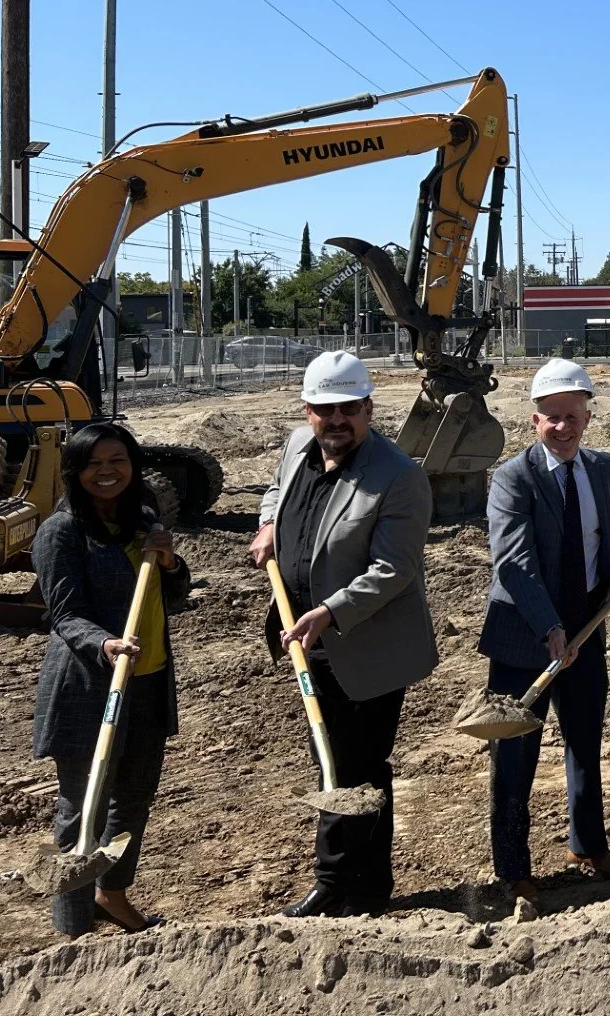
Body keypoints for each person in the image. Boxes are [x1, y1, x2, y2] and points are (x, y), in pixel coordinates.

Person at [252, 350, 436, 918]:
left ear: (368, 408)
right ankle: (366, 886)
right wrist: (265, 524)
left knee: (354, 763)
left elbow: (393, 569)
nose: (337, 420)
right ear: (308, 411)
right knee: (335, 758)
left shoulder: (398, 476)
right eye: (324, 409)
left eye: (348, 409)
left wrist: (330, 612)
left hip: (365, 642)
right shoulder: (297, 449)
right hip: (303, 636)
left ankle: (337, 883)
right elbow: (276, 494)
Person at [479, 358, 610, 911]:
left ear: (587, 416)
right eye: (552, 418)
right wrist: (549, 626)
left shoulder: (600, 467)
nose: (563, 428)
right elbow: (513, 561)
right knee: (516, 752)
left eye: (573, 416)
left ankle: (589, 845)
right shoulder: (512, 478)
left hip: (587, 628)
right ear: (534, 420)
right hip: (526, 635)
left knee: (585, 740)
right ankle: (514, 868)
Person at [32, 423, 188, 936]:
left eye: (117, 460)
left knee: (134, 797)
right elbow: (65, 613)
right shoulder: (61, 531)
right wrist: (104, 644)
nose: (107, 472)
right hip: (90, 686)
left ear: (133, 465)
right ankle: (72, 929)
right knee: (85, 806)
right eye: (94, 464)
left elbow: (175, 592)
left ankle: (111, 894)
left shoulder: (142, 518)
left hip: (146, 680)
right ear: (75, 472)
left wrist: (167, 561)